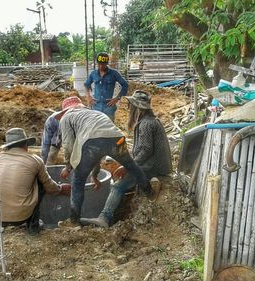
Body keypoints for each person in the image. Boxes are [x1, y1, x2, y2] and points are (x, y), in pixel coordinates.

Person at [81, 91, 172, 227]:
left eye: (131, 106)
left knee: (117, 186)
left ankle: (104, 218)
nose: (129, 109)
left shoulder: (146, 124)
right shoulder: (152, 121)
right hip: (157, 164)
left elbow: (146, 150)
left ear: (137, 107)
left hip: (152, 167)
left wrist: (128, 166)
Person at [56, 96, 151, 226]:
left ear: (65, 111)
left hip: (92, 143)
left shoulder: (66, 118)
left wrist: (68, 166)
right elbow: (99, 150)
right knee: (131, 165)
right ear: (80, 106)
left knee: (77, 181)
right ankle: (149, 192)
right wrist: (94, 175)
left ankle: (74, 220)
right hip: (116, 139)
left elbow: (68, 145)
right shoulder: (95, 113)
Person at [0, 128, 71, 235]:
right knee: (40, 182)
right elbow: (49, 186)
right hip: (20, 217)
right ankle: (33, 226)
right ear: (26, 144)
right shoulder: (34, 160)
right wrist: (61, 189)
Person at [84, 52, 128, 121]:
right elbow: (86, 84)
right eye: (99, 64)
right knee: (96, 127)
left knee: (109, 128)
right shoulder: (93, 74)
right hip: (96, 106)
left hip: (109, 107)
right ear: (97, 63)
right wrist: (88, 96)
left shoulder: (114, 73)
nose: (101, 66)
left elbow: (125, 85)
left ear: (107, 63)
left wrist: (117, 98)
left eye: (103, 64)